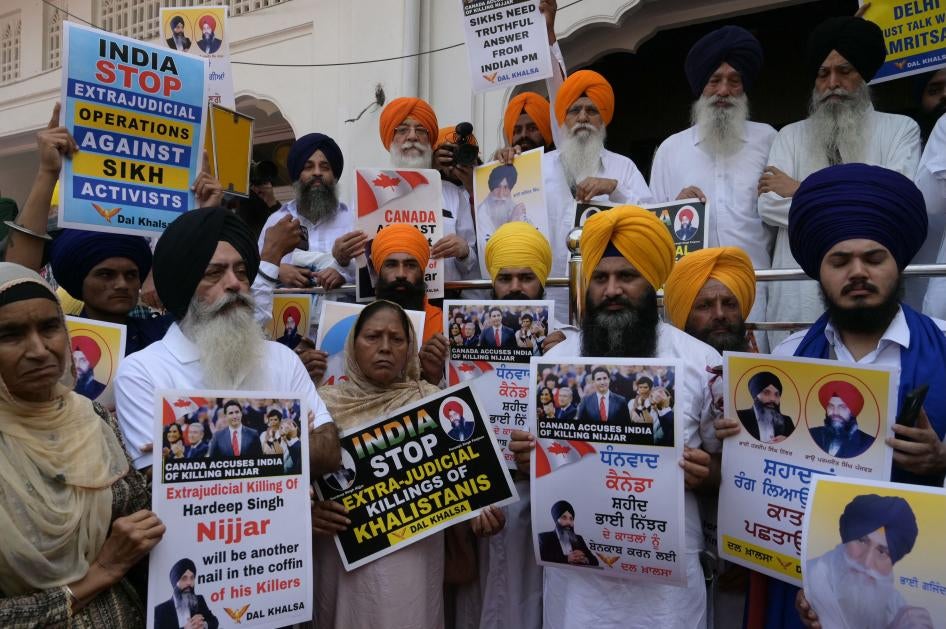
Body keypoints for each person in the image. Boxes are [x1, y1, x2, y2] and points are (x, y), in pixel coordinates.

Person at [718, 163, 946, 629]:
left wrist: (942, 459)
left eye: (873, 259)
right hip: (800, 583)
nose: (858, 272)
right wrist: (740, 446)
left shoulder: (945, 345)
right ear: (818, 271)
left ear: (898, 263)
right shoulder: (785, 359)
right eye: (840, 262)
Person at [511, 205, 721, 629]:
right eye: (601, 278)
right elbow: (541, 462)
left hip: (667, 596)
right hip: (578, 590)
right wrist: (525, 459)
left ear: (653, 281)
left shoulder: (701, 362)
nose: (612, 290)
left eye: (627, 277)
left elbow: (729, 469)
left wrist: (708, 473)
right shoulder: (557, 361)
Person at [310, 300, 504, 628]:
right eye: (372, 337)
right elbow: (293, 486)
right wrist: (309, 513)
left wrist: (483, 515)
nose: (385, 347)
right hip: (341, 565)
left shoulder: (433, 402)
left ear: (410, 347)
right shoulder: (321, 405)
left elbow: (463, 482)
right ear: (352, 344)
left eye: (396, 339)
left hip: (414, 565)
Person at [0, 262, 164, 626]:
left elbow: (140, 518)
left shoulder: (91, 416)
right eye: (10, 334)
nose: (40, 350)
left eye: (49, 327)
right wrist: (99, 573)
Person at [114, 207, 339, 473]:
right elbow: (161, 480)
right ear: (184, 284)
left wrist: (187, 448)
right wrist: (288, 439)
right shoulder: (141, 372)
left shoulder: (282, 358)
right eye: (214, 273)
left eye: (242, 272)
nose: (235, 283)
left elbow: (328, 451)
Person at [758, 16, 921, 345]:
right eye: (823, 74)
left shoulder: (900, 129)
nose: (833, 82)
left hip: (869, 293)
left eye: (844, 71)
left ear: (863, 76)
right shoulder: (790, 135)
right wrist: (861, 199)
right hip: (796, 294)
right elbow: (769, 205)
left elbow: (893, 205)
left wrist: (801, 190)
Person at [651, 26, 774, 340]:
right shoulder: (670, 149)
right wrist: (672, 210)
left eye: (734, 81)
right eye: (714, 81)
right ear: (700, 87)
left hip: (755, 292)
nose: (724, 91)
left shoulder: (768, 139)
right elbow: (651, 229)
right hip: (692, 298)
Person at [376, 97, 479, 283]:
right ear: (390, 140)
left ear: (430, 140)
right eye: (403, 129)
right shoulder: (370, 192)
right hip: (391, 303)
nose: (413, 136)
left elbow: (472, 266)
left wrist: (464, 252)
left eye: (421, 130)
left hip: (443, 303)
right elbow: (360, 266)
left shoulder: (453, 194)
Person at [801, 494, 931, 629]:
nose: (866, 562)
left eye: (882, 552)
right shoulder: (815, 576)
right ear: (847, 537)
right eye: (861, 540)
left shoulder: (893, 600)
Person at [257, 133, 352, 291]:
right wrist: (279, 271)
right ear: (297, 176)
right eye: (308, 167)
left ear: (334, 177)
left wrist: (343, 274)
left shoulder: (352, 219)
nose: (317, 173)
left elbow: (370, 272)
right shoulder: (277, 220)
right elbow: (256, 269)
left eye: (324, 167)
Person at [664, 246, 757, 353]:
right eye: (704, 306)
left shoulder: (758, 367)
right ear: (683, 316)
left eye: (729, 304)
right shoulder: (669, 366)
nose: (720, 314)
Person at [810, 380, 875, 458]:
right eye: (831, 406)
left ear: (853, 411)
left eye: (842, 407)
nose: (835, 412)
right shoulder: (812, 434)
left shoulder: (869, 443)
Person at [153, 558, 219, 629]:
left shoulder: (199, 600)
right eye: (184, 578)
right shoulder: (159, 611)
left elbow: (214, 621)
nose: (189, 583)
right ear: (175, 583)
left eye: (192, 578)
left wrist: (203, 624)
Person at [736, 371, 795, 443]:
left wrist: (788, 442)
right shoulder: (739, 417)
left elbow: (798, 446)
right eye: (766, 393)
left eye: (776, 394)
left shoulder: (787, 421)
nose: (773, 399)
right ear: (755, 396)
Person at [537, 500, 598, 566]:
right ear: (556, 520)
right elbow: (542, 558)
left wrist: (585, 559)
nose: (568, 522)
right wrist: (567, 559)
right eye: (564, 518)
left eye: (571, 519)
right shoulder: (544, 537)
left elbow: (595, 561)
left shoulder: (579, 539)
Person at [72, 336, 107, 401]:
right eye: (73, 360)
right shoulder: (58, 388)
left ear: (92, 363)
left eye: (82, 360)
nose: (76, 365)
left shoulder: (103, 390)